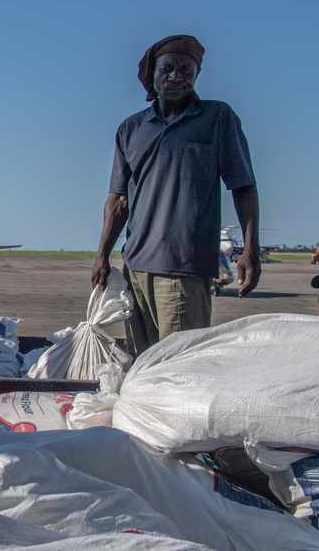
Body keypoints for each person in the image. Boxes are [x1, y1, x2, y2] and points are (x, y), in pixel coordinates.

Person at [92, 35, 260, 352]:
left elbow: (243, 186)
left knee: (178, 367)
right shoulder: (131, 128)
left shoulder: (217, 118)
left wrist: (250, 247)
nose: (176, 76)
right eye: (167, 68)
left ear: (196, 76)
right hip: (136, 267)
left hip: (184, 268)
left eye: (187, 70)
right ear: (151, 76)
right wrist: (102, 254)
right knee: (143, 365)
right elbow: (119, 200)